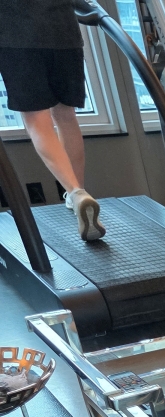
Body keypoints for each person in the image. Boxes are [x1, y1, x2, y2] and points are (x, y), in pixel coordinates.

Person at [0, 0, 105, 241]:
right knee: (66, 117)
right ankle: (78, 192)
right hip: (64, 34)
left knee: (37, 122)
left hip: (17, 39)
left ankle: (75, 193)